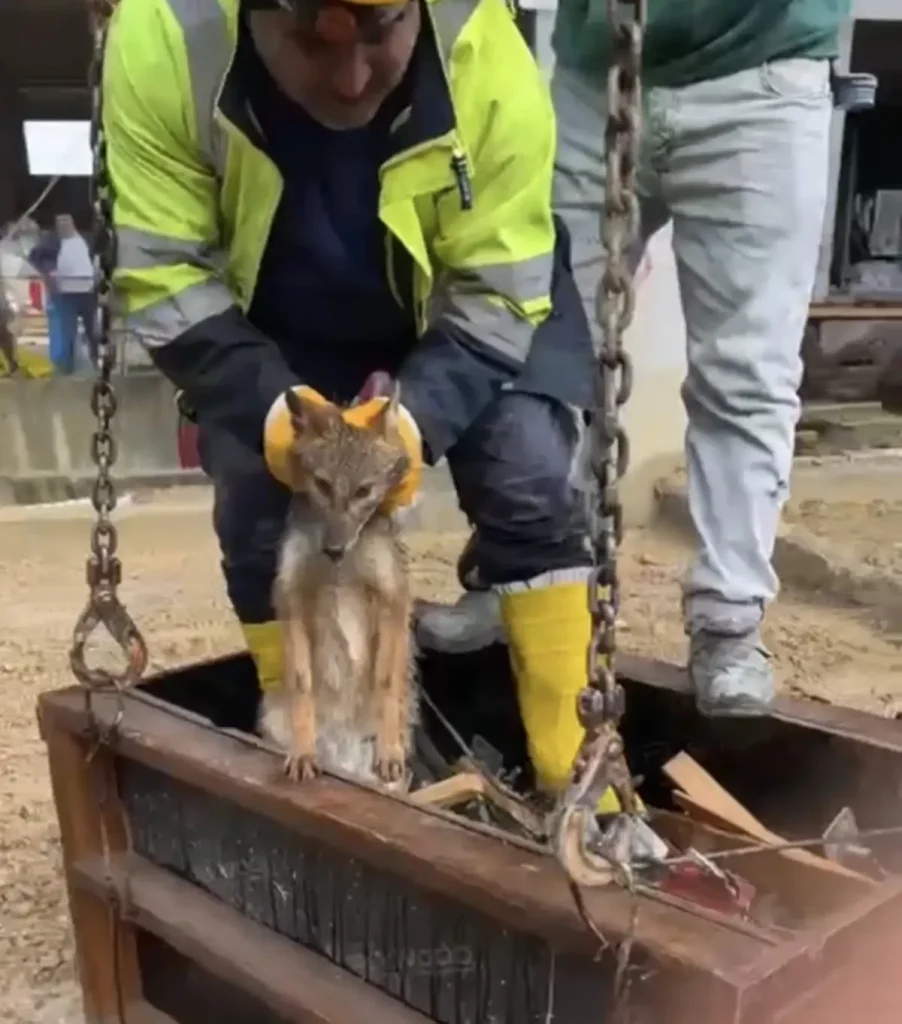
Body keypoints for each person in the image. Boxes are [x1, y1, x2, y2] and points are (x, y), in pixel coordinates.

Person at [103, 0, 628, 807]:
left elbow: (500, 287)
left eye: (383, 33)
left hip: (464, 297)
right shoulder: (167, 37)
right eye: (313, 43)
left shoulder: (484, 48)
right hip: (278, 316)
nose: (350, 81)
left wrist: (414, 427)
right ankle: (329, 757)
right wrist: (271, 415)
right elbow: (167, 274)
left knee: (528, 471)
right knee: (254, 504)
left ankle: (581, 778)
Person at [550, 0, 847, 717]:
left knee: (744, 370)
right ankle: (536, 571)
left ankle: (729, 617)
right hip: (596, 69)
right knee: (547, 346)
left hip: (760, 70)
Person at [52, 214, 98, 372]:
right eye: (59, 223)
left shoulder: (86, 240)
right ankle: (68, 367)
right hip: (66, 294)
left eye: (66, 222)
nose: (62, 226)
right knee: (68, 333)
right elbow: (38, 257)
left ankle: (98, 363)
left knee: (93, 331)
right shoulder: (54, 243)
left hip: (87, 292)